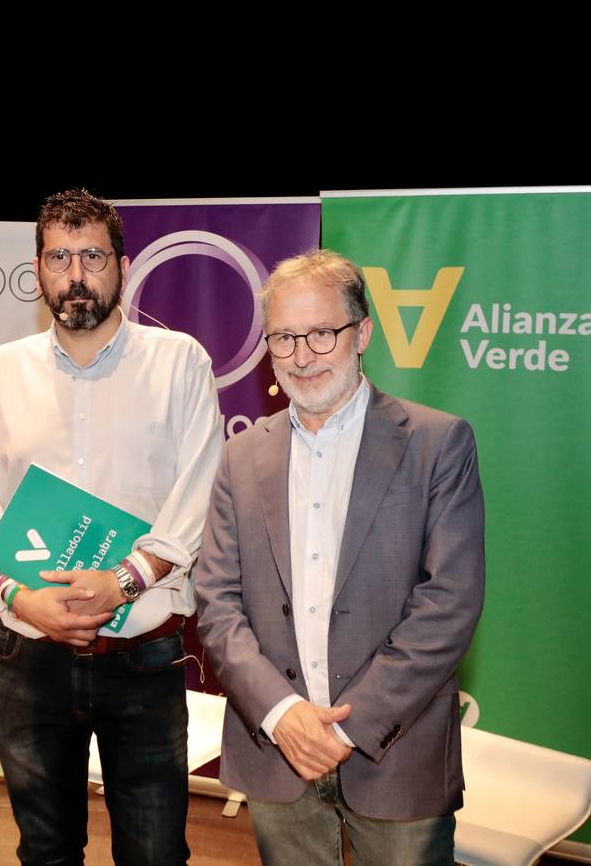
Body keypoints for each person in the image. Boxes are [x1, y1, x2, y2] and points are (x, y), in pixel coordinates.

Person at [0, 188, 223, 864]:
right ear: (39, 270)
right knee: (46, 851)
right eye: (60, 258)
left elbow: (197, 502)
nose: (77, 275)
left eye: (93, 257)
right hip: (29, 660)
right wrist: (27, 601)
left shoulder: (179, 364)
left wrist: (125, 580)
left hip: (142, 658)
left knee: (156, 854)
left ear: (124, 266)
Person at [194, 250, 485, 866]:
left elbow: (450, 603)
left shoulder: (437, 444)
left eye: (321, 333)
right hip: (277, 753)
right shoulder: (241, 457)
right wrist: (284, 716)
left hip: (397, 757)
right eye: (283, 338)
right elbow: (217, 604)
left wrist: (347, 729)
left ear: (363, 334)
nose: (302, 356)